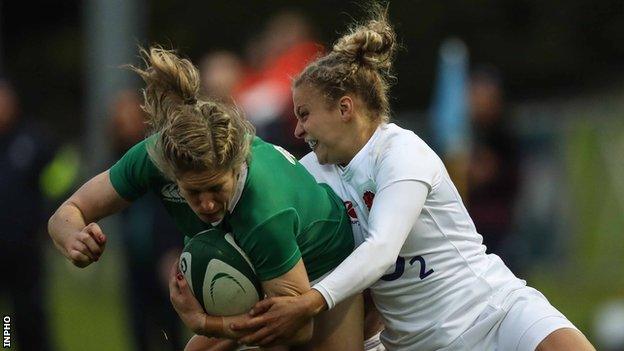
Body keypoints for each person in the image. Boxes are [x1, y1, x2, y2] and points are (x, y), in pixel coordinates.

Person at [230, 6, 596, 351]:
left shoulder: (402, 153)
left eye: (305, 115)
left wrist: (309, 302)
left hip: (493, 312)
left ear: (345, 108)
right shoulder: (310, 175)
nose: (297, 130)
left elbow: (382, 248)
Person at [48, 46, 364, 351]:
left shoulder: (264, 209)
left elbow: (294, 328)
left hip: (324, 264)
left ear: (235, 168)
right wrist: (72, 237)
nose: (208, 204)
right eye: (194, 193)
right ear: (171, 175)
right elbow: (69, 211)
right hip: (255, 264)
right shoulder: (153, 158)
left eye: (216, 189)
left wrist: (202, 322)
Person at [108, 90, 183, 351]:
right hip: (134, 257)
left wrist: (175, 247)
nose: (123, 124)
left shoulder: (159, 159)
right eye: (119, 119)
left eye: (129, 117)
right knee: (138, 325)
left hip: (165, 254)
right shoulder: (117, 164)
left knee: (169, 325)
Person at [0, 79, 55, 351]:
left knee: (29, 313)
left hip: (25, 249)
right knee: (6, 320)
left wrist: (51, 215)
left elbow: (61, 177)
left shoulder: (33, 140)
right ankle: (6, 344)